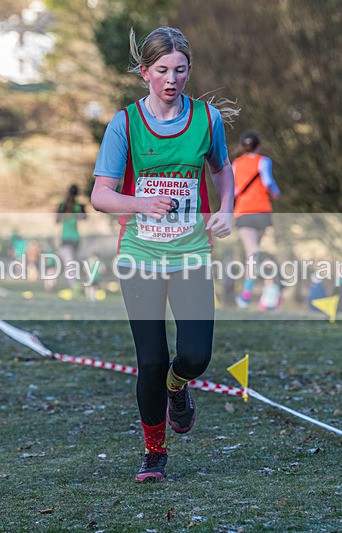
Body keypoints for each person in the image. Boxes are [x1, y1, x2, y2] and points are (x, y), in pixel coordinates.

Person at [91, 27, 235, 483]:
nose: (171, 79)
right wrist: (140, 204)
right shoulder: (125, 123)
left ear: (189, 70)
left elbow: (223, 169)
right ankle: (155, 452)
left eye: (180, 70)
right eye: (162, 71)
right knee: (150, 360)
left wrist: (228, 208)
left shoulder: (207, 119)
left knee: (194, 356)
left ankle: (179, 388)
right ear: (145, 72)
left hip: (191, 251)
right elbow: (100, 195)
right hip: (140, 253)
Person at [231, 131, 280, 308]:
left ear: (242, 147)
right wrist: (276, 193)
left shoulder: (236, 164)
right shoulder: (264, 161)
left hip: (243, 212)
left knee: (252, 253)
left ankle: (246, 295)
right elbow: (268, 182)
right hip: (262, 211)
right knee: (261, 253)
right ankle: (269, 294)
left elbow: (235, 191)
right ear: (258, 146)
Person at [56, 184, 87, 294]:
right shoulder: (78, 206)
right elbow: (84, 218)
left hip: (66, 239)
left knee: (69, 263)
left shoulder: (62, 206)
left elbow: (57, 220)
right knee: (73, 262)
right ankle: (76, 283)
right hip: (76, 239)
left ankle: (74, 285)